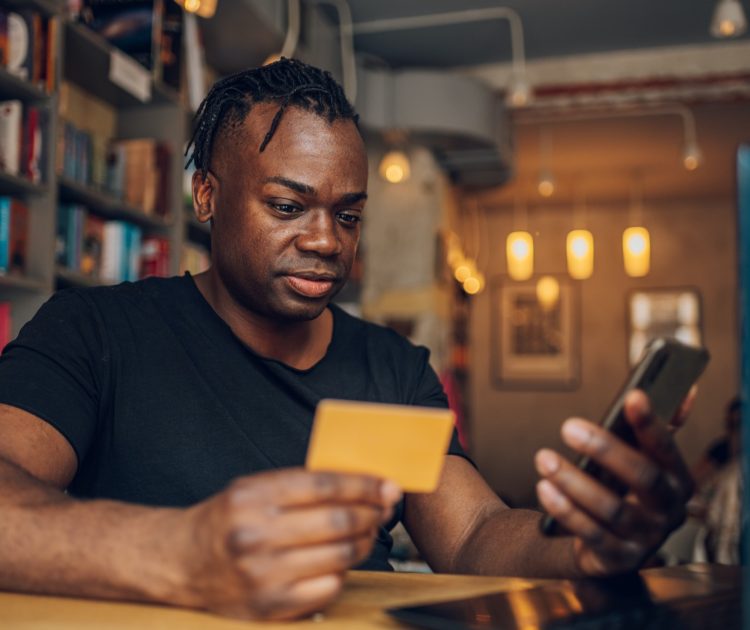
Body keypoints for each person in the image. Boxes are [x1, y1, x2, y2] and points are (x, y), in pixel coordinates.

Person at [0, 59, 695, 621]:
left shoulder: (391, 368)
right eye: (286, 206)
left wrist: (586, 546)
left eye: (349, 215)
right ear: (206, 196)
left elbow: (475, 534)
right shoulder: (92, 333)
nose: (327, 241)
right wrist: (184, 552)